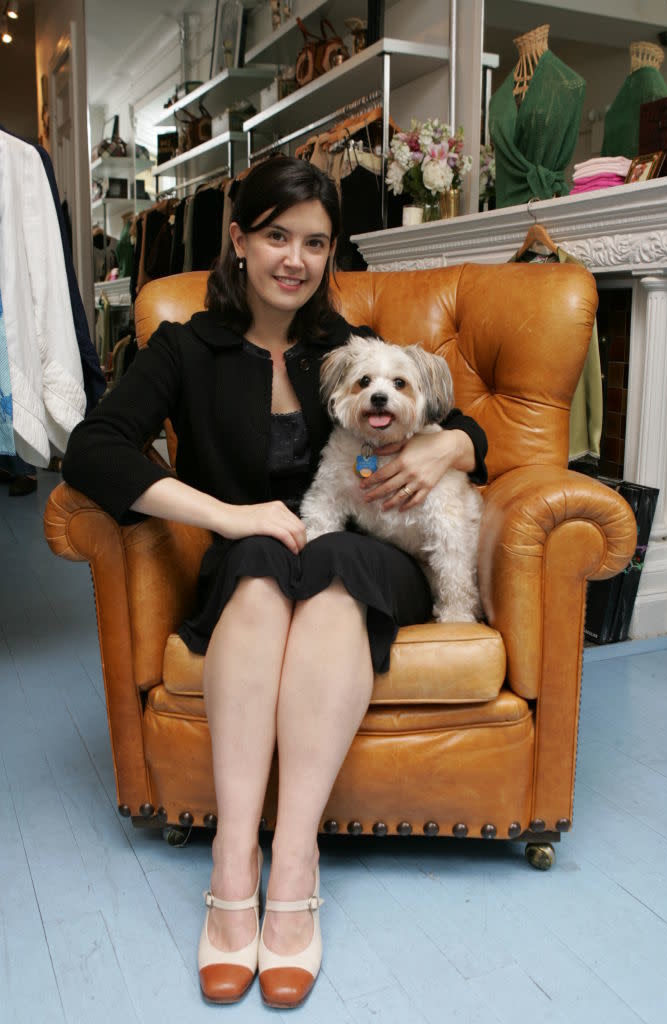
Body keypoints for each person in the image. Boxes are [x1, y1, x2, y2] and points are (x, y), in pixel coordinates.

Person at [62, 156, 488, 1009]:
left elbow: (459, 416)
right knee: (262, 563)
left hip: (364, 562)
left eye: (316, 243)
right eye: (276, 236)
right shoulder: (183, 345)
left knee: (328, 560)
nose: (294, 259)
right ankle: (233, 863)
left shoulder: (347, 352)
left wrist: (452, 442)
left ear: (332, 255)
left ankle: (293, 862)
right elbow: (93, 450)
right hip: (252, 556)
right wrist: (231, 516)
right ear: (239, 240)